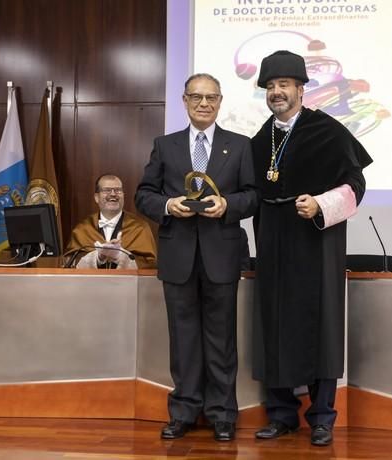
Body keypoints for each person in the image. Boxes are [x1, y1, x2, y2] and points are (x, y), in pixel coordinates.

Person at [250, 50, 373, 447]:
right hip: (273, 242)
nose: (276, 93)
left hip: (316, 242)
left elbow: (356, 185)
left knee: (322, 326)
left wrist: (321, 204)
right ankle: (282, 414)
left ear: (301, 89)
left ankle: (321, 417)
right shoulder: (258, 139)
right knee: (274, 325)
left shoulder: (329, 131)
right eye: (270, 86)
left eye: (283, 84)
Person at [135, 73, 258, 441]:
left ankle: (222, 414)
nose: (203, 104)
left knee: (222, 340)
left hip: (222, 254)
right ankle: (184, 410)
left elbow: (253, 196)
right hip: (178, 256)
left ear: (220, 102)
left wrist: (227, 204)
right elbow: (143, 195)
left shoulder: (240, 146)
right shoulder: (165, 145)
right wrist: (169, 205)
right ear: (184, 101)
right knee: (183, 338)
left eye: (211, 98)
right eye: (196, 97)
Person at [64, 174, 157, 269]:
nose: (113, 194)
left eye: (118, 190)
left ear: (123, 196)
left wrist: (122, 256)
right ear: (96, 197)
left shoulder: (140, 227)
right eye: (107, 190)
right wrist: (97, 257)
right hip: (91, 284)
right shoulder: (82, 229)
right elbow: (70, 263)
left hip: (126, 284)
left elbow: (150, 265)